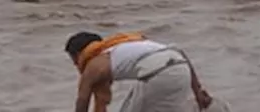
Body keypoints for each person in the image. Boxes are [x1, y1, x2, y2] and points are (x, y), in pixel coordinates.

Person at [65, 30, 214, 112]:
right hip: (181, 69)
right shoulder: (129, 45)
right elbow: (178, 53)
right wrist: (198, 92)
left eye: (73, 59)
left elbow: (82, 102)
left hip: (158, 74)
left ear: (79, 54)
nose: (75, 64)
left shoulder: (93, 65)